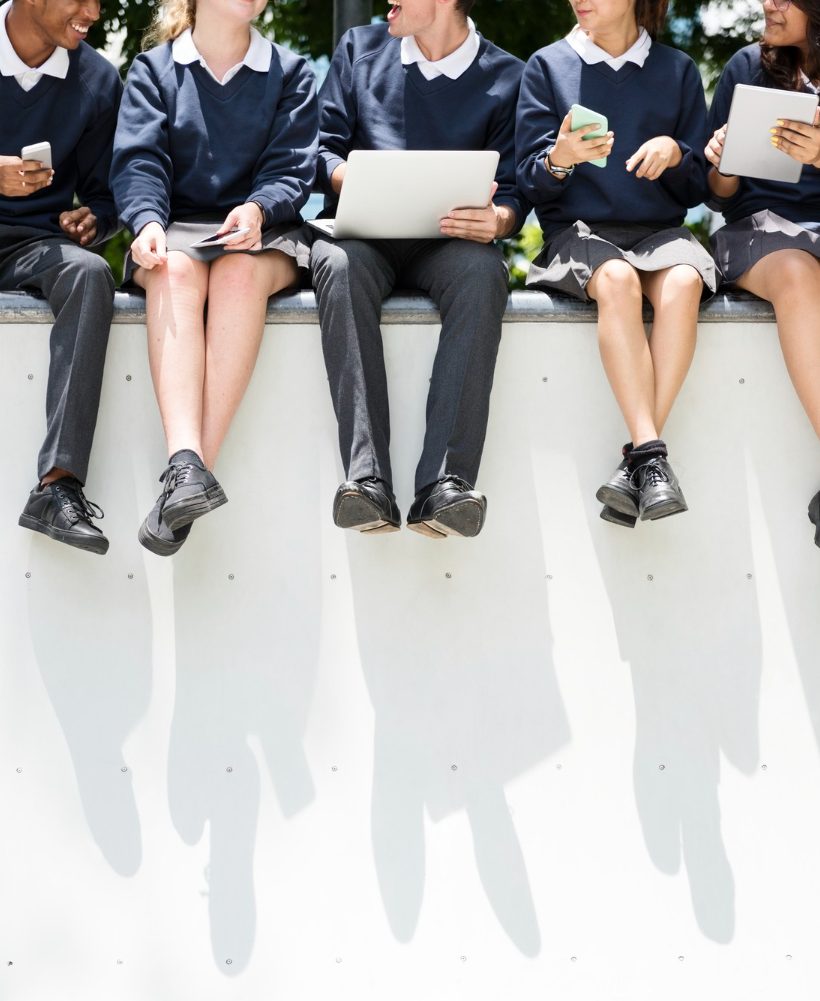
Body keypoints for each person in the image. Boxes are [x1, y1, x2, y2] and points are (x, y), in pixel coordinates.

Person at [310, 0, 527, 540]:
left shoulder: (508, 76)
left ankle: (445, 484)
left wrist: (497, 220)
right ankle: (367, 481)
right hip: (364, 236)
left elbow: (518, 192)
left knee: (484, 273)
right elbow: (322, 150)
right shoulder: (359, 51)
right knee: (335, 261)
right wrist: (351, 179)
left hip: (448, 244)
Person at [111, 0, 317, 556]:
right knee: (174, 270)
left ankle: (191, 476)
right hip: (176, 229)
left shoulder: (291, 74)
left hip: (262, 232)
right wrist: (148, 222)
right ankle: (186, 463)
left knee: (235, 276)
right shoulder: (154, 71)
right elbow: (140, 163)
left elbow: (291, 168)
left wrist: (256, 209)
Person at [516, 0, 715, 528]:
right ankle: (650, 455)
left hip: (661, 234)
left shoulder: (677, 71)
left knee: (685, 282)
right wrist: (559, 159)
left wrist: (676, 152)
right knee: (619, 280)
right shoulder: (547, 67)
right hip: (577, 234)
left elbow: (701, 187)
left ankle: (640, 462)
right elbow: (527, 182)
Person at [1, 0, 121, 555]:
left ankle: (57, 485)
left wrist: (93, 218)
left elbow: (107, 194)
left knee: (91, 273)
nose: (92, 12)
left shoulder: (96, 79)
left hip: (33, 244)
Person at [706, 0, 820, 548]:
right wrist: (722, 164)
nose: (768, 4)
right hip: (756, 232)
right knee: (797, 273)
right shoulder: (746, 68)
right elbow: (716, 195)